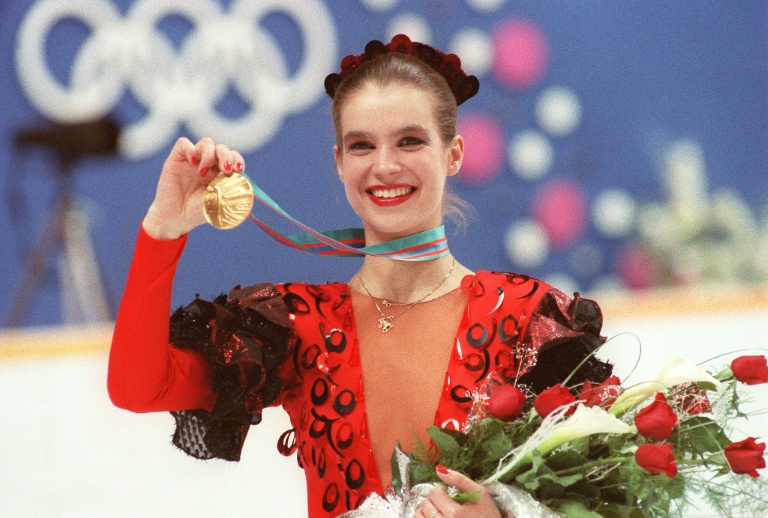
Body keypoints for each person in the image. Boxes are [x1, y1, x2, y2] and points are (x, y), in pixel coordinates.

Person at [108, 35, 612, 518]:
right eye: (362, 146)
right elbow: (137, 388)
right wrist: (162, 230)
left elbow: (605, 497)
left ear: (453, 154)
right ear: (339, 163)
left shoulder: (527, 317)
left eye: (410, 141)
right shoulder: (300, 325)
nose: (385, 166)